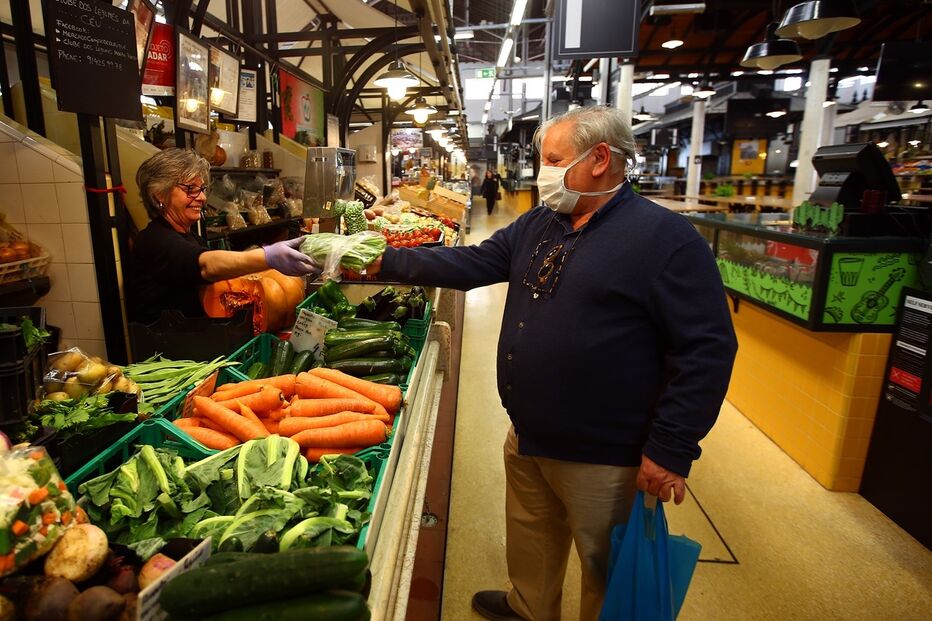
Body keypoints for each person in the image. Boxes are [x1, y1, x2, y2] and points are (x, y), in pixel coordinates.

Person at [371, 105, 737, 621]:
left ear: (601, 159)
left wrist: (672, 448)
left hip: (605, 452)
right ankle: (530, 607)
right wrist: (381, 257)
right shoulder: (542, 223)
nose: (543, 172)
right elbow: (473, 263)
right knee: (531, 539)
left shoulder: (666, 241)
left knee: (604, 567)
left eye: (553, 159)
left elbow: (708, 349)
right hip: (528, 434)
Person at [128, 148, 319, 324]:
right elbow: (206, 265)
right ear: (158, 195)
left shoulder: (190, 236)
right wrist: (267, 256)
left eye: (201, 189)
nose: (202, 198)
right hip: (165, 352)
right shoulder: (154, 241)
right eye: (190, 189)